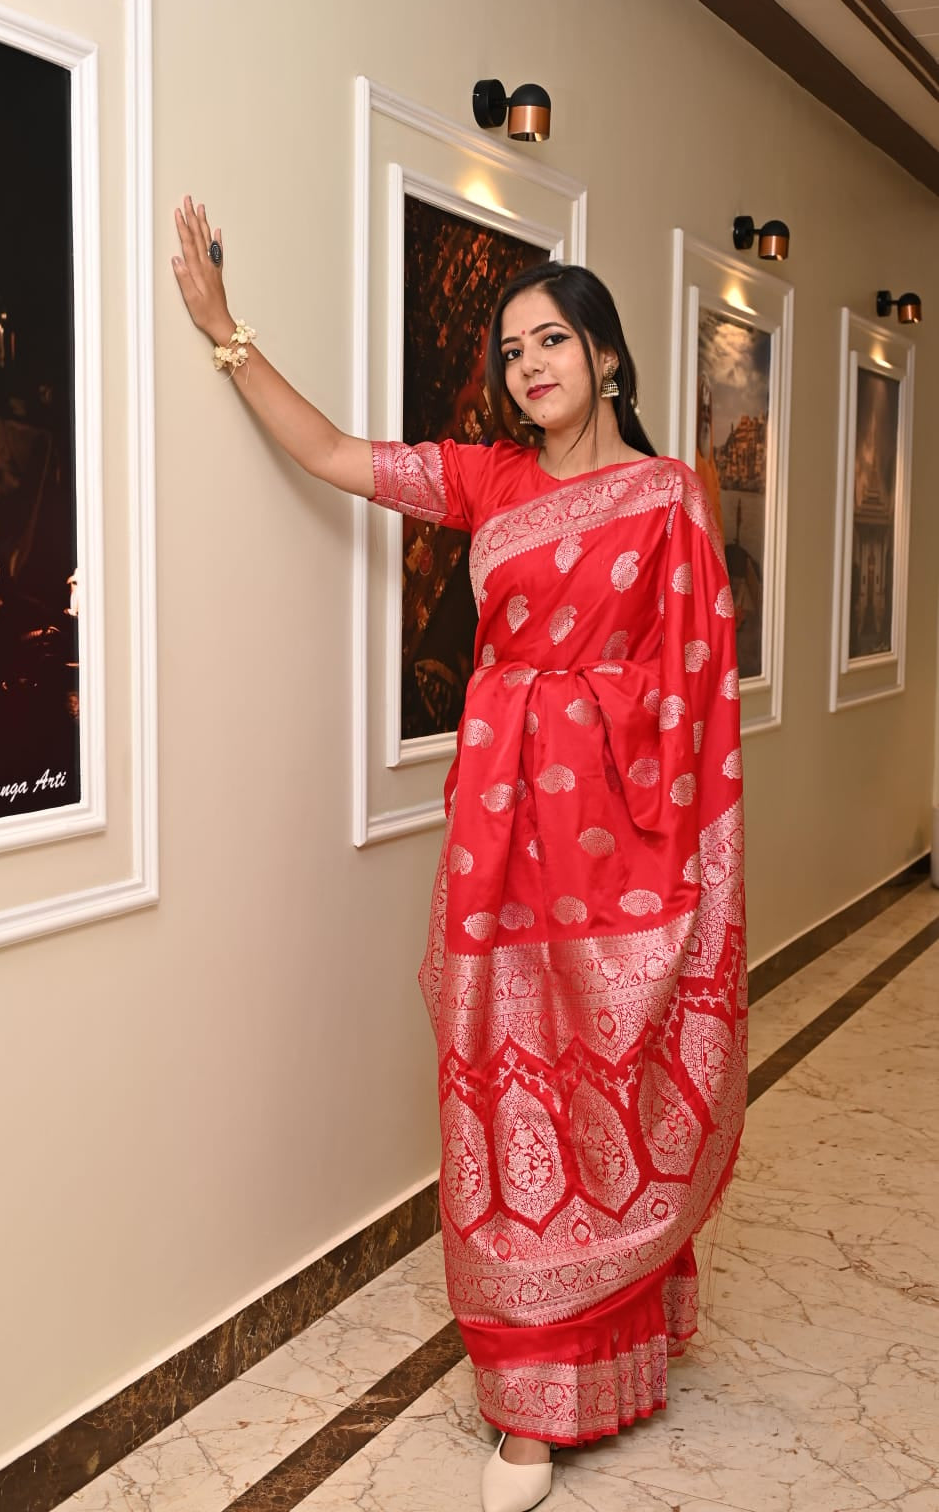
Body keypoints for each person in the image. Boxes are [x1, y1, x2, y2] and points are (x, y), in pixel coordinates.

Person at [173, 198, 747, 1512]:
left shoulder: (665, 498)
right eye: (510, 350)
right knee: (506, 1100)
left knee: (619, 1079)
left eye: (552, 340)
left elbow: (692, 687)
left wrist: (652, 824)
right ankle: (525, 1408)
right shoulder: (487, 480)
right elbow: (328, 449)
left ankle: (620, 1347)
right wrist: (221, 331)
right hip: (501, 850)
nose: (528, 365)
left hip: (623, 850)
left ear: (607, 358)